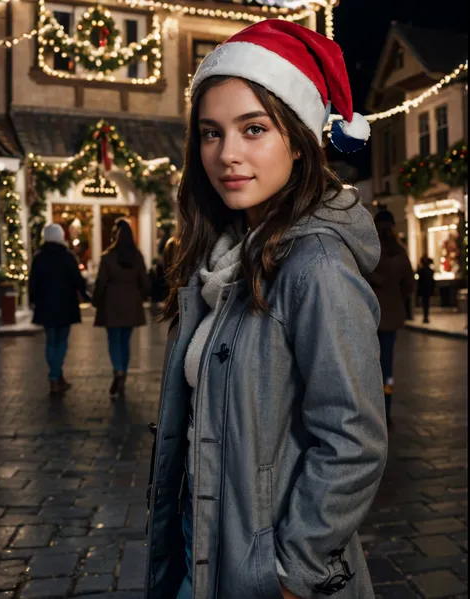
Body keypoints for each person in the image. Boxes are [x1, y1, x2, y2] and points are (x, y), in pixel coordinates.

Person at [144, 21, 387, 599]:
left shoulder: (316, 266)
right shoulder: (225, 257)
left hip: (265, 569)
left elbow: (353, 440)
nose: (226, 154)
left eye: (254, 129)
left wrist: (290, 572)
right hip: (201, 544)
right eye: (210, 132)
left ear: (300, 138)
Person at [367, 209, 415, 429]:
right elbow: (409, 286)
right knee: (387, 370)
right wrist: (396, 299)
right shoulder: (400, 254)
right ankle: (386, 411)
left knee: (367, 367)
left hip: (369, 318)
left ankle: (372, 411)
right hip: (391, 318)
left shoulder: (369, 251)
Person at [29, 223, 89, 396]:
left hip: (46, 306)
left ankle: (56, 375)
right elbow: (78, 280)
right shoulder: (67, 256)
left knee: (51, 341)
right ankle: (55, 376)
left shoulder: (39, 257)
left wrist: (34, 300)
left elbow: (33, 283)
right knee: (61, 342)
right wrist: (85, 295)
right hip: (65, 305)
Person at [92, 219, 150, 398]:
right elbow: (145, 282)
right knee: (125, 341)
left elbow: (101, 282)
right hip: (131, 304)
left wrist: (96, 300)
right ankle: (123, 372)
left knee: (114, 341)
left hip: (111, 304)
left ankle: (118, 370)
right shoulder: (136, 256)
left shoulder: (108, 257)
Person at [417, 255, 435, 323]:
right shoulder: (430, 271)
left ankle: (425, 317)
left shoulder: (421, 271)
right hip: (427, 289)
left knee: (425, 303)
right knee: (426, 303)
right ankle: (426, 317)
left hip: (424, 289)